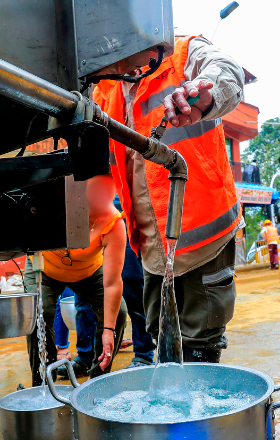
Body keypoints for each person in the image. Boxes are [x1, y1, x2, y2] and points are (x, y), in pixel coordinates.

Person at [92, 34, 246, 363]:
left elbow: (227, 73)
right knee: (162, 340)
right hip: (151, 245)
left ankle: (202, 410)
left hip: (205, 235)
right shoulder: (104, 85)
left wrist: (206, 91)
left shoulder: (184, 51)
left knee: (201, 343)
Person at [23, 174, 127, 385]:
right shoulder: (50, 204)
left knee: (119, 313)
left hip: (88, 272)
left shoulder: (113, 224)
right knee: (38, 312)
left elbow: (113, 283)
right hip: (46, 267)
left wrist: (109, 330)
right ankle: (44, 382)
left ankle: (98, 379)